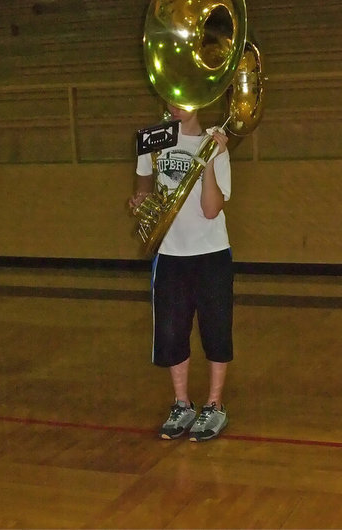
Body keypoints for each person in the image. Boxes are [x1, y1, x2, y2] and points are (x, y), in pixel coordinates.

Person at [129, 103, 233, 442]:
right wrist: (140, 200)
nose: (175, 106)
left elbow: (211, 209)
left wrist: (209, 160)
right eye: (171, 99)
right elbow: (144, 186)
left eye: (184, 100)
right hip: (170, 253)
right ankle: (182, 403)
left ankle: (214, 405)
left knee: (216, 330)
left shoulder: (214, 142)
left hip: (212, 252)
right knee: (172, 333)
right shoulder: (152, 139)